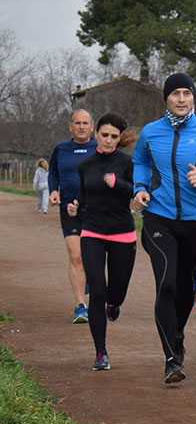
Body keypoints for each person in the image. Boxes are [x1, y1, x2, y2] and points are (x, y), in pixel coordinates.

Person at [132, 74, 196, 384]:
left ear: (193, 97)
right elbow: (140, 161)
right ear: (165, 99)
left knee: (186, 287)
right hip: (159, 217)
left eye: (186, 93)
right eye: (175, 94)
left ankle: (176, 332)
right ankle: (171, 357)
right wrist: (140, 187)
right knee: (166, 284)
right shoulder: (151, 133)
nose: (181, 98)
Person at [68, 113, 137, 371]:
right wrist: (76, 206)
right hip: (93, 232)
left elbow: (135, 191)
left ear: (119, 139)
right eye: (105, 135)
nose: (108, 140)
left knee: (115, 293)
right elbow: (83, 195)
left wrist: (117, 183)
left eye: (114, 137)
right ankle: (100, 352)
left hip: (122, 232)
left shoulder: (126, 163)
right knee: (97, 290)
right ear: (96, 133)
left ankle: (114, 303)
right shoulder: (85, 165)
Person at [48, 109, 97, 323]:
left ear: (92, 127)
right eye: (77, 123)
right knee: (75, 255)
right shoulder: (61, 150)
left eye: (86, 123)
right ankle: (80, 305)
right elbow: (53, 174)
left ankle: (90, 284)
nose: (82, 127)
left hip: (96, 210)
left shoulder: (99, 148)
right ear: (71, 127)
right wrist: (53, 190)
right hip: (69, 210)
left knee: (94, 257)